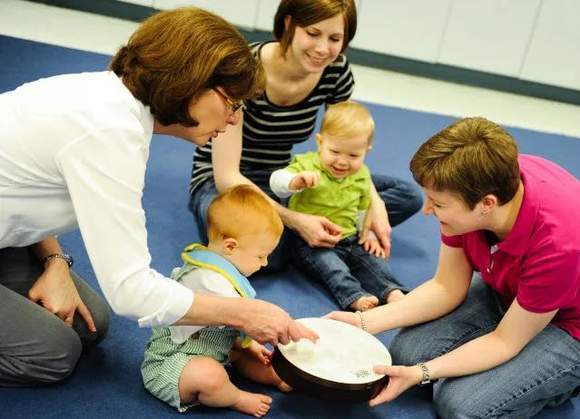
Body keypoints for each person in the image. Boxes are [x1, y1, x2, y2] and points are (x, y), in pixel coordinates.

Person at [0, 7, 315, 388]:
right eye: (232, 104)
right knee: (51, 354)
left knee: (91, 325)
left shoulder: (112, 103)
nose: (234, 120)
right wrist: (243, 314)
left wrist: (55, 262)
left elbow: (25, 189)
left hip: (10, 235)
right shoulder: (109, 133)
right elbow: (131, 292)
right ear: (192, 84)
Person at [327, 117, 580, 418]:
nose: (427, 211)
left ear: (487, 204)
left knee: (460, 405)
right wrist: (364, 323)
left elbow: (505, 341)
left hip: (571, 325)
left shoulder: (562, 244)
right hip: (508, 290)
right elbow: (446, 287)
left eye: (438, 205)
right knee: (403, 355)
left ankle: (565, 381)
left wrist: (424, 372)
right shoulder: (475, 182)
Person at [188, 0, 422, 272]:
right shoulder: (244, 71)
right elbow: (227, 177)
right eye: (313, 33)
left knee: (407, 196)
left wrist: (376, 203)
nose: (323, 49)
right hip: (223, 181)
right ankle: (324, 233)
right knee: (264, 254)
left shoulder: (336, 72)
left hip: (286, 178)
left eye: (335, 38)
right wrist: (296, 220)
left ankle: (318, 232)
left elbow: (344, 137)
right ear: (289, 24)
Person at [141, 186, 291, 417]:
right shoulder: (206, 279)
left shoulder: (223, 272)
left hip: (216, 350)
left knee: (243, 354)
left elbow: (237, 329)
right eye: (260, 255)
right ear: (230, 246)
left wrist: (250, 345)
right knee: (211, 376)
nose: (264, 263)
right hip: (172, 363)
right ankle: (234, 397)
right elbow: (246, 318)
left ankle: (272, 376)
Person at [269, 101, 408, 311]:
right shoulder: (307, 165)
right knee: (333, 269)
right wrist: (294, 181)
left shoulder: (362, 175)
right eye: (335, 152)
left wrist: (367, 234)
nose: (343, 162)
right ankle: (354, 296)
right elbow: (276, 181)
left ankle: (392, 291)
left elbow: (363, 209)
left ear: (366, 151)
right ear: (319, 142)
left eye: (353, 156)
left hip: (350, 238)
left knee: (374, 263)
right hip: (312, 243)